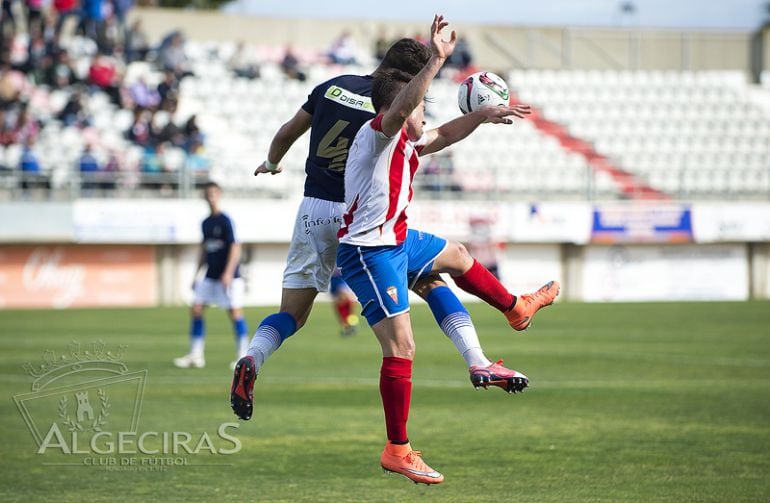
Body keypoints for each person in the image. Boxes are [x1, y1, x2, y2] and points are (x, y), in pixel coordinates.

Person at [230, 27, 555, 425]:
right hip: (363, 217)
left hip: (312, 211)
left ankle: (252, 356)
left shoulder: (332, 87)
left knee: (293, 314)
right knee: (433, 279)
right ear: (409, 82)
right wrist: (441, 72)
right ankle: (481, 355)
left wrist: (273, 163)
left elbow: (286, 134)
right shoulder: (394, 113)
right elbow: (429, 134)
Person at [335, 15, 558, 484]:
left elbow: (447, 135)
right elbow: (402, 111)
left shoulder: (406, 143)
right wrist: (437, 57)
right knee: (402, 347)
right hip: (369, 252)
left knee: (455, 256)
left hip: (396, 240)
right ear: (402, 106)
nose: (423, 117)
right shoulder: (381, 132)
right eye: (419, 109)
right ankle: (398, 448)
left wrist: (482, 115)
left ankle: (515, 309)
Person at [174, 182, 249, 369]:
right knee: (197, 309)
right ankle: (196, 355)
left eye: (214, 193)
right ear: (204, 196)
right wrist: (196, 274)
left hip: (228, 277)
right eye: (208, 193)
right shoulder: (206, 223)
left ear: (220, 195)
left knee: (235, 313)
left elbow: (235, 247)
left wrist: (228, 273)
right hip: (210, 275)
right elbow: (205, 250)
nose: (211, 196)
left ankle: (243, 355)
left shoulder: (225, 220)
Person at [329, 267, 359, 336]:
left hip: (341, 276)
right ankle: (347, 325)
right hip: (333, 278)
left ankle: (352, 322)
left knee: (345, 297)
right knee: (337, 303)